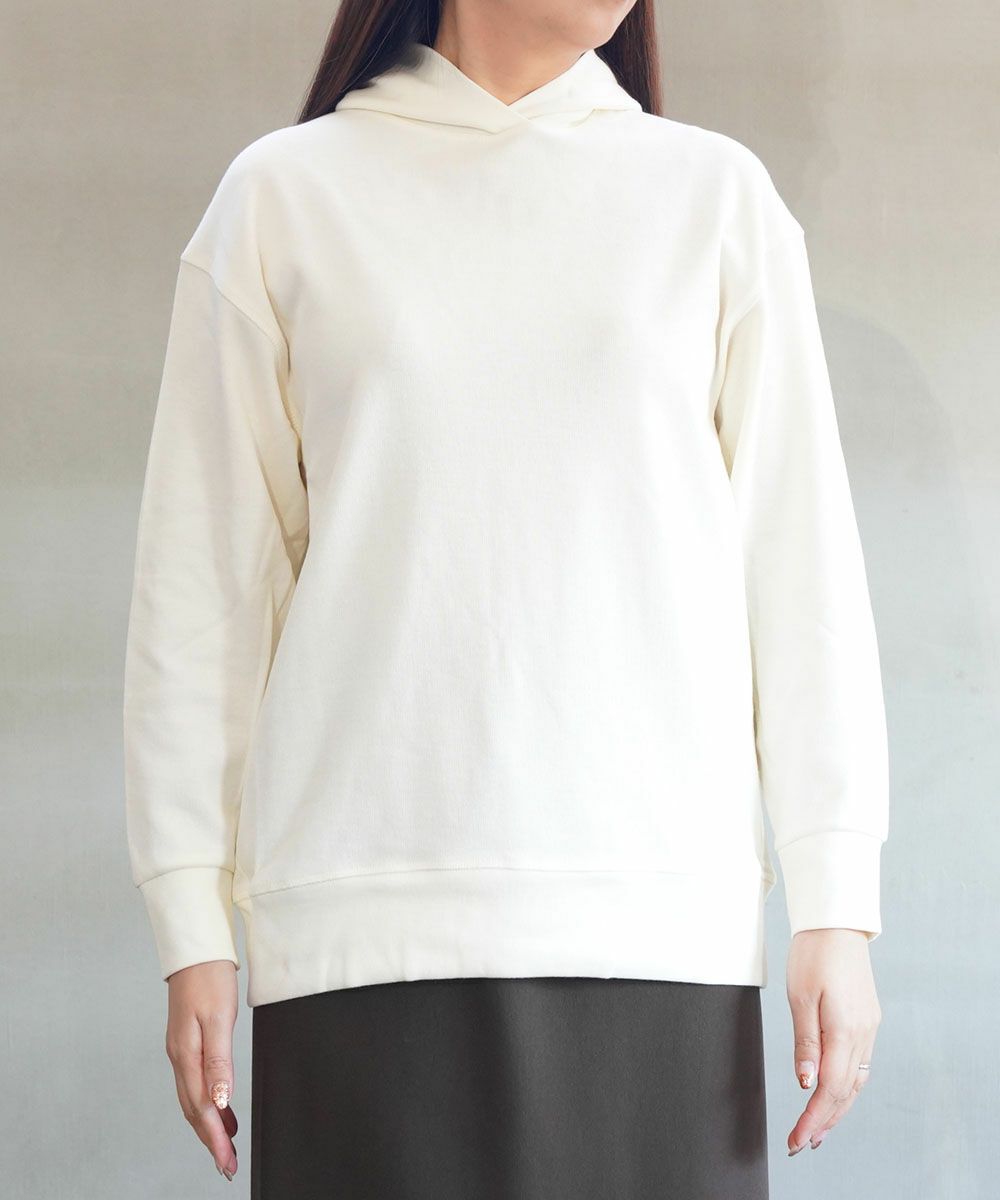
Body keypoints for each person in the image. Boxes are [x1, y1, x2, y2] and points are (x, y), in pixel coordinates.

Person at [122, 0, 890, 1195]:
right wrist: (190, 919)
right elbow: (203, 592)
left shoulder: (713, 201)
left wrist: (835, 905)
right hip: (360, 927)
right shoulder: (283, 199)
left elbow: (799, 576)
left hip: (655, 921)